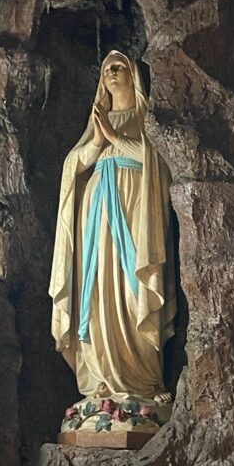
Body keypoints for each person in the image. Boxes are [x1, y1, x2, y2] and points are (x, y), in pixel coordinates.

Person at [49, 51, 176, 402]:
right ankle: (101, 377)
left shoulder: (145, 116)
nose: (112, 72)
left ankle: (145, 380)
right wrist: (97, 139)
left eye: (119, 66)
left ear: (133, 74)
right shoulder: (97, 121)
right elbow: (75, 164)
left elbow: (159, 162)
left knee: (132, 283)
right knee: (98, 287)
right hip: (97, 211)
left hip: (134, 206)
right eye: (106, 68)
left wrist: (114, 137)